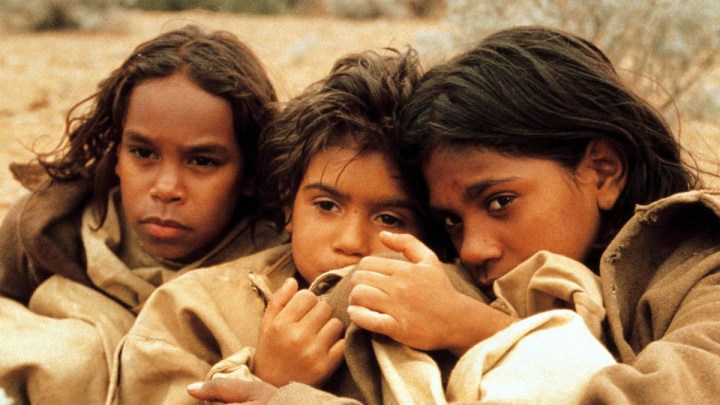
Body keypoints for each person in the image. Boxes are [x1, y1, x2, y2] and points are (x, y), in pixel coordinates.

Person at [191, 26, 720, 404]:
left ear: (602, 172)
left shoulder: (701, 275)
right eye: (451, 221)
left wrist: (477, 329)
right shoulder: (445, 285)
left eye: (499, 202)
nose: (473, 248)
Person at [110, 47, 468, 405]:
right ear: (288, 206)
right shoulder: (193, 310)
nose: (351, 242)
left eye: (390, 219)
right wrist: (268, 377)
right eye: (327, 206)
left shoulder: (452, 303)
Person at [0, 24, 283, 404]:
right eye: (144, 154)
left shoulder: (274, 271)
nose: (166, 187)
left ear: (250, 174)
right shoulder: (48, 228)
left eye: (202, 161)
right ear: (116, 154)